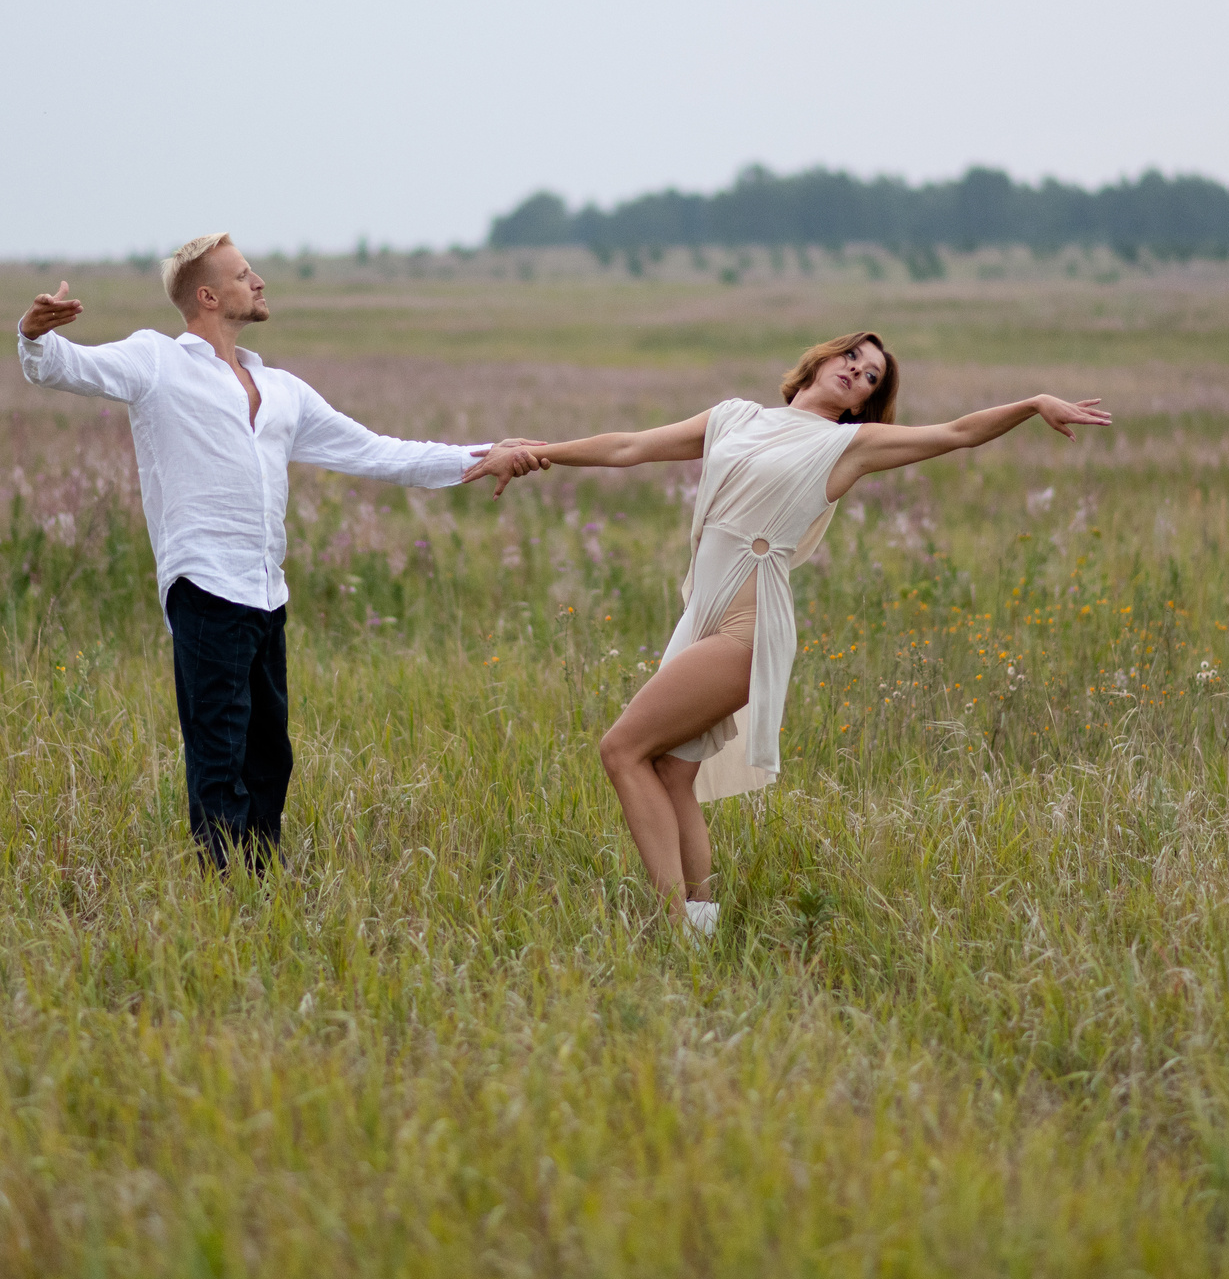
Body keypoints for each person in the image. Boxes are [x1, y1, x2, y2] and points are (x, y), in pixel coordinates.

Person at [467, 332, 1109, 931]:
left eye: (871, 377)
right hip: (700, 616)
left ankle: (668, 928)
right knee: (668, 771)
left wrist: (1032, 403)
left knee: (621, 751)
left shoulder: (847, 447)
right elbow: (629, 445)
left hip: (749, 627)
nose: (858, 371)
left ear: (865, 404)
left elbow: (958, 432)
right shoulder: (733, 417)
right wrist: (536, 452)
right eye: (853, 358)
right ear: (820, 360)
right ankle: (700, 925)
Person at [16, 234, 545, 871]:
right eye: (244, 276)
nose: (259, 282)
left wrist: (481, 456)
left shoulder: (283, 390)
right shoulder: (157, 362)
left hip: (267, 594)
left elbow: (377, 451)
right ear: (208, 296)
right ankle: (227, 896)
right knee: (219, 756)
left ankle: (259, 887)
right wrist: (35, 335)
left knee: (270, 756)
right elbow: (64, 367)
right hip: (205, 589)